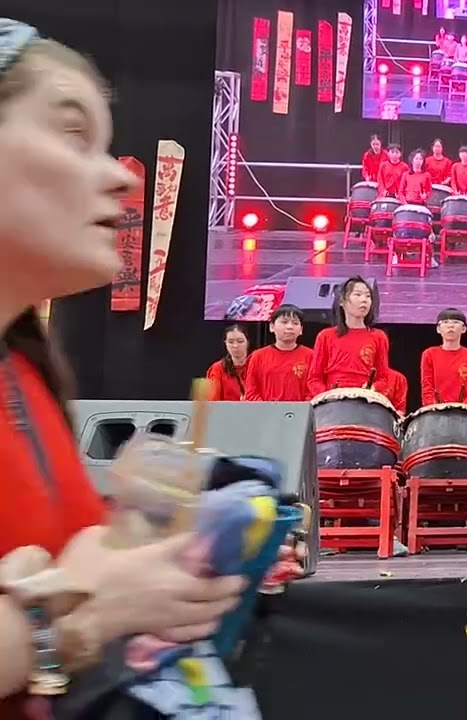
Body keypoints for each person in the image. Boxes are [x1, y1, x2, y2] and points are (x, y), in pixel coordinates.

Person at [0, 23, 247, 705]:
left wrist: (163, 550)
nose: (117, 175)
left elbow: (76, 572)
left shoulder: (24, 377)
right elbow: (77, 604)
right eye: (74, 136)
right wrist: (68, 623)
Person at [305, 276, 392, 397]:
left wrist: (373, 388)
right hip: (333, 401)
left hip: (364, 400)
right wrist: (328, 396)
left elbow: (383, 379)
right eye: (358, 295)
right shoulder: (326, 336)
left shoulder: (378, 336)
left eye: (368, 296)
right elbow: (314, 379)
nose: (364, 300)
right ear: (342, 301)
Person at [244, 304, 312, 402]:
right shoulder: (257, 356)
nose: (289, 327)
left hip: (300, 413)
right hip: (265, 413)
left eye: (295, 323)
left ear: (301, 330)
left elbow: (313, 390)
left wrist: (301, 409)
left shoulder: (311, 356)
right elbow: (251, 391)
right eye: (284, 322)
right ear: (272, 327)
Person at [420, 308, 467, 406]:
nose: (450, 326)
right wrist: (434, 407)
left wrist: (462, 408)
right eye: (445, 322)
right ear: (438, 329)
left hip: (463, 412)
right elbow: (427, 387)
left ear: (464, 329)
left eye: (456, 322)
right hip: (435, 411)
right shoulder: (429, 354)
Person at [206, 324, 250, 401]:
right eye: (230, 342)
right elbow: (212, 401)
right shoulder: (217, 368)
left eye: (240, 341)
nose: (235, 346)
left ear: (247, 342)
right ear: (225, 343)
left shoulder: (257, 366)